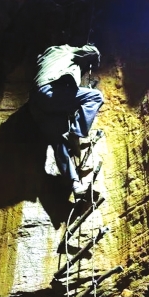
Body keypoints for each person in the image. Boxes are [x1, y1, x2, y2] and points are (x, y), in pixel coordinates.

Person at [28, 44, 104, 197]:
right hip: (51, 91)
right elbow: (92, 52)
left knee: (59, 143)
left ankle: (75, 185)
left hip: (37, 104)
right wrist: (90, 50)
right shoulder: (66, 50)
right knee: (95, 97)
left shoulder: (43, 58)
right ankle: (75, 132)